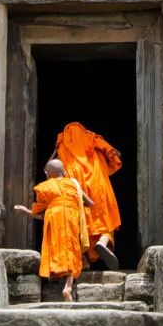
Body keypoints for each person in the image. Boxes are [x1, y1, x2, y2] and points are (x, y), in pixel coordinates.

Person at [13, 159, 92, 302]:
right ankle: (68, 287)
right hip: (72, 217)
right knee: (73, 250)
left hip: (54, 218)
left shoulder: (44, 187)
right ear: (65, 172)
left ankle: (57, 278)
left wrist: (25, 211)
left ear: (48, 174)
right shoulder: (74, 184)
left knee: (57, 248)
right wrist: (76, 200)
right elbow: (91, 203)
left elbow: (39, 213)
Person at [53, 121, 122, 271]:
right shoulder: (91, 137)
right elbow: (114, 153)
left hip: (75, 186)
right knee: (106, 219)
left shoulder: (62, 144)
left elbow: (54, 168)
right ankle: (102, 243)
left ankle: (82, 260)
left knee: (79, 223)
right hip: (98, 184)